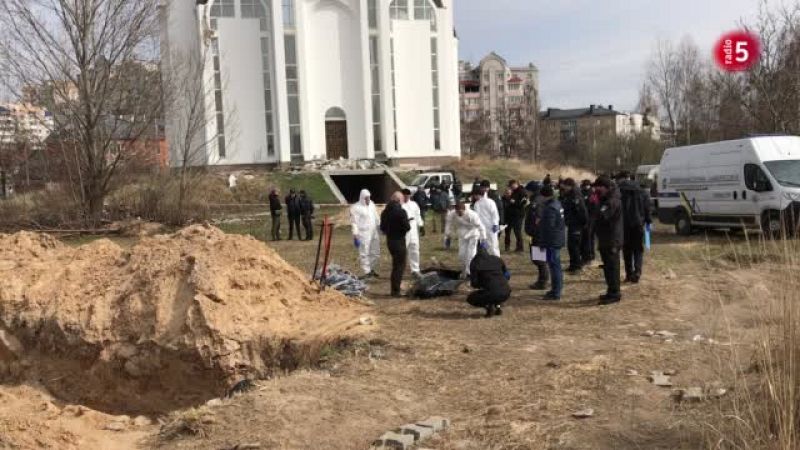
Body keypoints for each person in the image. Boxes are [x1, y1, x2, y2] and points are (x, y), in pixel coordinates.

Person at [592, 176, 624, 304]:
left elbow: (601, 216)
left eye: (598, 188)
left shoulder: (611, 201)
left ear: (605, 187)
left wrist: (596, 203)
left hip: (611, 239)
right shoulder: (606, 199)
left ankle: (615, 293)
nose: (596, 190)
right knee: (608, 267)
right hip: (606, 238)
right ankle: (611, 291)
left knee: (612, 267)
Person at [616, 172, 652, 283]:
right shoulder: (643, 191)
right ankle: (637, 272)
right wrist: (648, 221)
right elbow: (647, 208)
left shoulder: (619, 190)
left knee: (626, 250)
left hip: (624, 224)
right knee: (638, 249)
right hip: (638, 224)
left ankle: (629, 274)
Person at [536, 185, 565, 300]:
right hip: (556, 238)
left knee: (554, 266)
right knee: (555, 265)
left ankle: (556, 292)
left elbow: (549, 227)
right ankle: (555, 289)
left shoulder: (550, 208)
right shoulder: (557, 203)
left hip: (552, 241)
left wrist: (540, 223)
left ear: (543, 196)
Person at [444, 201, 487, 277]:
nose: (459, 214)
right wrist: (448, 235)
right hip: (462, 235)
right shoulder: (452, 214)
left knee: (471, 254)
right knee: (461, 254)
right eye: (457, 212)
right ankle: (463, 271)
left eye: (461, 212)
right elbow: (448, 224)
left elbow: (480, 226)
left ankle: (470, 272)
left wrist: (483, 239)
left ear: (464, 210)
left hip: (473, 233)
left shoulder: (472, 214)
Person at [380, 192, 411, 297]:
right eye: (402, 200)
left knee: (396, 265)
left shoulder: (385, 212)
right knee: (399, 266)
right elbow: (407, 227)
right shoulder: (401, 212)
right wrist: (405, 223)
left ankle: (395, 288)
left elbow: (382, 228)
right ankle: (395, 291)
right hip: (399, 241)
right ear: (398, 200)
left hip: (390, 241)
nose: (402, 202)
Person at [467, 246, 511, 317]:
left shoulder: (475, 263)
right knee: (495, 290)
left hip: (492, 292)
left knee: (471, 298)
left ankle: (489, 307)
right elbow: (507, 275)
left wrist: (481, 283)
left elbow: (474, 283)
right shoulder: (497, 259)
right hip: (506, 292)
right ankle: (498, 306)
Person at [350, 189, 381, 279]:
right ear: (362, 198)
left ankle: (371, 268)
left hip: (374, 231)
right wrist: (355, 235)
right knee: (364, 253)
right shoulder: (355, 208)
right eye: (366, 198)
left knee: (376, 252)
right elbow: (354, 222)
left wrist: (380, 226)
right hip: (363, 233)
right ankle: (367, 271)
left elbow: (376, 216)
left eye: (369, 197)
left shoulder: (372, 204)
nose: (368, 200)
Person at [524, 181, 549, 290]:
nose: (526, 192)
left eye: (527, 190)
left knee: (539, 259)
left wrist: (533, 231)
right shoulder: (538, 199)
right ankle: (542, 280)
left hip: (538, 235)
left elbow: (538, 218)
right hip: (537, 234)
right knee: (538, 258)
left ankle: (543, 281)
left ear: (532, 191)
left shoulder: (536, 202)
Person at [560, 178, 589, 273]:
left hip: (577, 224)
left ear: (569, 186)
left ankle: (577, 266)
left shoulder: (575, 196)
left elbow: (582, 211)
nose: (563, 188)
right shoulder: (569, 195)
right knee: (571, 246)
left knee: (574, 246)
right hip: (572, 223)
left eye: (565, 186)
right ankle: (573, 265)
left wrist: (583, 223)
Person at [474, 181, 501, 256]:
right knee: (484, 245)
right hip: (482, 228)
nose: (474, 197)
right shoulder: (476, 204)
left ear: (478, 195)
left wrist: (495, 224)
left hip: (491, 227)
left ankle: (496, 259)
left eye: (475, 195)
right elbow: (477, 216)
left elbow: (495, 214)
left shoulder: (490, 202)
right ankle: (487, 259)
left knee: (493, 245)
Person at [401, 188, 424, 276]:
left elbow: (418, 215)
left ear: (410, 195)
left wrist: (421, 225)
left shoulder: (414, 204)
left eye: (408, 195)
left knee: (415, 248)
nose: (406, 197)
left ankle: (415, 269)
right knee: (403, 250)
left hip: (413, 227)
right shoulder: (400, 205)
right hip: (404, 228)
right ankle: (400, 269)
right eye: (404, 195)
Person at [504, 179, 527, 253]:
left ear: (515, 184)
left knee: (517, 231)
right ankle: (511, 246)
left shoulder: (522, 192)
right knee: (511, 231)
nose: (511, 187)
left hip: (519, 214)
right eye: (510, 186)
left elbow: (523, 203)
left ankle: (520, 248)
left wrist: (514, 202)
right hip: (512, 214)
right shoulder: (514, 191)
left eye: (511, 186)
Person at [580, 180, 596, 264]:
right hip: (587, 218)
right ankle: (589, 255)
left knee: (588, 238)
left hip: (590, 218)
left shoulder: (592, 194)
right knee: (589, 238)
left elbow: (594, 206)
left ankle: (589, 256)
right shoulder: (583, 192)